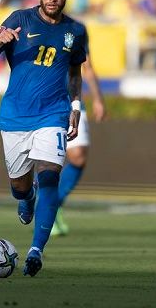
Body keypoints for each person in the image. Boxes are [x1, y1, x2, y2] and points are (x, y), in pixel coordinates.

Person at [0, 0, 85, 277]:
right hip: (15, 117)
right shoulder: (18, 20)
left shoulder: (75, 32)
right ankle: (26, 199)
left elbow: (75, 73)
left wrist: (75, 106)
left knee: (50, 176)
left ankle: (36, 251)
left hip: (53, 114)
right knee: (21, 186)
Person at [51, 50, 107, 236]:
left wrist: (98, 98)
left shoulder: (76, 31)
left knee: (78, 158)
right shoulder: (34, 26)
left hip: (73, 102)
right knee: (47, 159)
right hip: (46, 103)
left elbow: (87, 67)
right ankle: (42, 206)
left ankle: (53, 205)